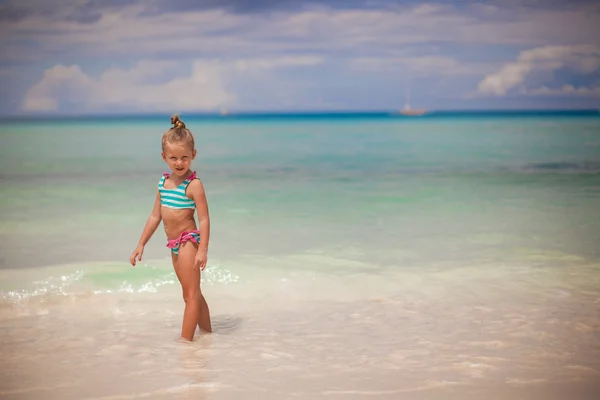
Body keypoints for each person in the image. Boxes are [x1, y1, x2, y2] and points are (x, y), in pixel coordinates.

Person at [130, 115, 212, 341]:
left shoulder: (194, 185)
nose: (179, 163)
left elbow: (204, 219)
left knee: (191, 295)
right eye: (173, 158)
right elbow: (155, 216)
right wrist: (141, 244)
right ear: (164, 157)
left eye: (184, 157)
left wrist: (202, 249)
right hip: (174, 245)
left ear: (193, 155)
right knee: (191, 294)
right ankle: (207, 335)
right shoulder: (162, 184)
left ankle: (185, 344)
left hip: (188, 241)